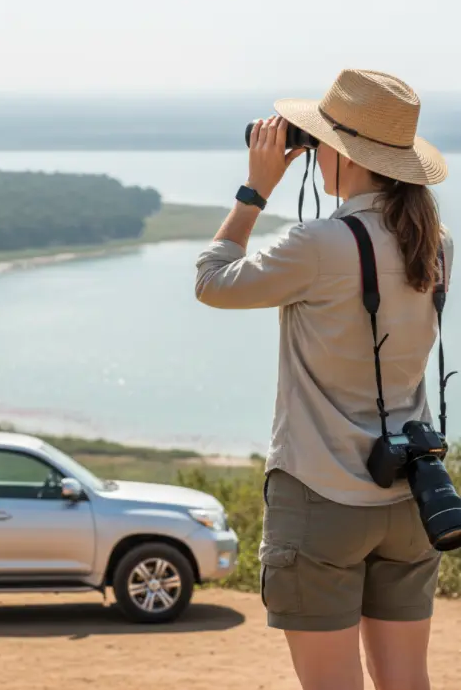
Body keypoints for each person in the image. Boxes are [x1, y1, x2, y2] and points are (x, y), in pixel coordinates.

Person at [194, 69, 453, 690]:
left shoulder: (319, 245)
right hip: (409, 494)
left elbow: (211, 281)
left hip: (321, 497)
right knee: (406, 682)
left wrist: (254, 191)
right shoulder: (435, 241)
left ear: (341, 153)